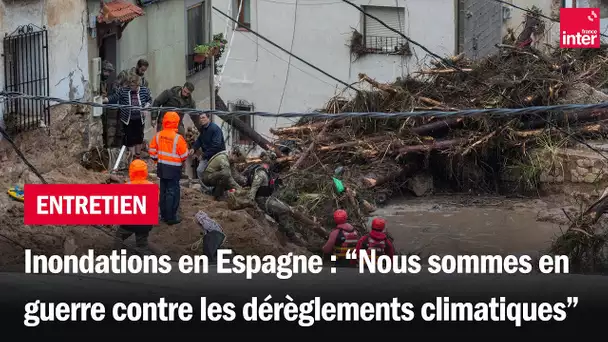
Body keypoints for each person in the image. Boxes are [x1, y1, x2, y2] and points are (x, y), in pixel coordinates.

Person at [239, 153, 303, 244]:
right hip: (262, 200)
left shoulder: (267, 171)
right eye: (273, 159)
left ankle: (285, 231)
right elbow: (254, 189)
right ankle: (291, 236)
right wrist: (252, 204)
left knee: (285, 207)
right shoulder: (261, 173)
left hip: (267, 198)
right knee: (284, 210)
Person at [148, 111, 189, 225]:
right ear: (176, 123)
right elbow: (184, 155)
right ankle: (171, 218)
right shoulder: (178, 138)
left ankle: (163, 215)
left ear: (164, 122)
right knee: (173, 192)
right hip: (174, 169)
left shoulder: (158, 135)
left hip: (161, 167)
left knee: (163, 191)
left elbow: (152, 152)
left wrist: (157, 159)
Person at [103, 74, 152, 160]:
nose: (131, 87)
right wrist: (105, 100)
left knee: (139, 137)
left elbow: (149, 99)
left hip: (140, 119)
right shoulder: (124, 90)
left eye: (133, 86)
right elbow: (115, 97)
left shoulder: (144, 90)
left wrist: (146, 108)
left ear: (138, 85)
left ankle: (137, 156)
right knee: (129, 138)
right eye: (130, 85)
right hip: (128, 119)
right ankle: (131, 157)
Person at [114, 159, 155, 254]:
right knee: (142, 241)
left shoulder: (126, 186)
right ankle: (144, 254)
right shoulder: (152, 186)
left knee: (119, 235)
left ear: (131, 172)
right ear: (145, 172)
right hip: (146, 223)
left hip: (129, 222)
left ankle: (116, 254)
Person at [189, 113, 226, 182]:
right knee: (200, 170)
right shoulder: (203, 129)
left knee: (213, 173)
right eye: (200, 118)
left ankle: (212, 190)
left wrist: (203, 155)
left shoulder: (215, 129)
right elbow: (200, 140)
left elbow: (216, 145)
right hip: (207, 155)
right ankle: (205, 189)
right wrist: (194, 148)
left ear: (208, 118)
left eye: (203, 117)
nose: (201, 120)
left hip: (217, 156)